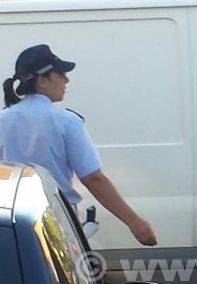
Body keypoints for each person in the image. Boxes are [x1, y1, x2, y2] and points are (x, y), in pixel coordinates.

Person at [0, 44, 157, 246]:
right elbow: (93, 179)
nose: (67, 79)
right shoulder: (66, 122)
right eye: (60, 74)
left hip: (10, 225)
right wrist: (134, 222)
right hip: (56, 223)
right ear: (42, 80)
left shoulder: (3, 119)